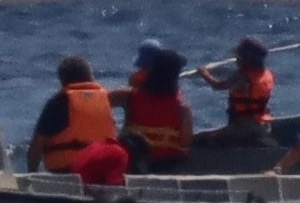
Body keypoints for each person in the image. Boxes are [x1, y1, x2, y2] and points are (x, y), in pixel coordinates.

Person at [30, 54, 131, 185]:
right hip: (103, 171)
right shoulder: (105, 98)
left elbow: (35, 148)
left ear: (62, 81)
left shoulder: (58, 102)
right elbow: (131, 95)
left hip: (68, 173)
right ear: (90, 76)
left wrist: (31, 177)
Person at [121, 42, 195, 167]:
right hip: (167, 162)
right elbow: (185, 143)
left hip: (134, 158)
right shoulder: (183, 108)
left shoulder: (129, 96)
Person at [195, 36, 277, 145]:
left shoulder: (242, 76)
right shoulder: (268, 74)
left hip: (245, 127)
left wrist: (204, 73)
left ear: (246, 59)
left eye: (239, 57)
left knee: (204, 141)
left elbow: (217, 86)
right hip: (263, 125)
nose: (236, 60)